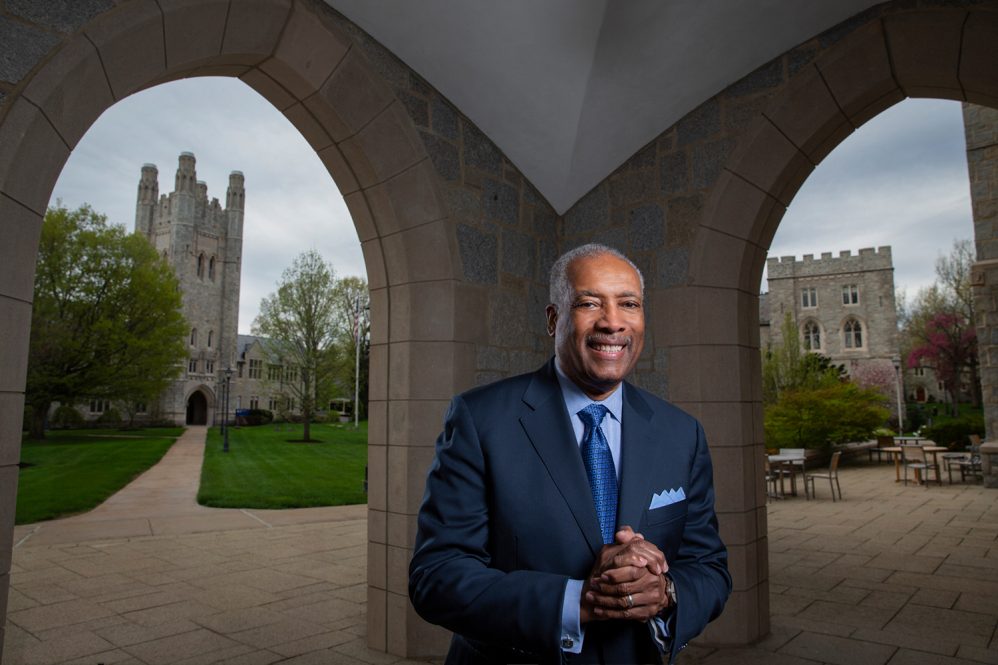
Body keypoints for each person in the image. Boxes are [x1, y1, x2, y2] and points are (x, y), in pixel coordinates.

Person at [409, 243, 731, 664]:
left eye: (628, 304)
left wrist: (665, 592)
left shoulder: (681, 432)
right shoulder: (479, 419)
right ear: (553, 318)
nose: (612, 322)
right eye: (588, 302)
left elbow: (709, 569)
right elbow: (437, 576)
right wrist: (582, 601)